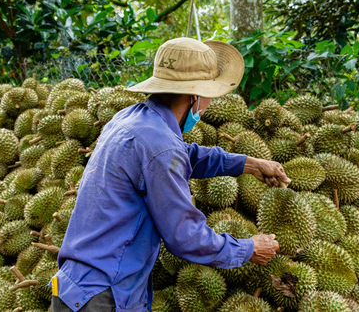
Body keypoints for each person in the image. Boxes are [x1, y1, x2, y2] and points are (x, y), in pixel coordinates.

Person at [50, 37, 290, 312]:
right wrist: (248, 249)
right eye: (210, 94)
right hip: (103, 297)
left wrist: (248, 163)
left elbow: (180, 155)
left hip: (75, 287)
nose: (210, 103)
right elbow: (186, 236)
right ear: (195, 96)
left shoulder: (128, 119)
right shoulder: (160, 146)